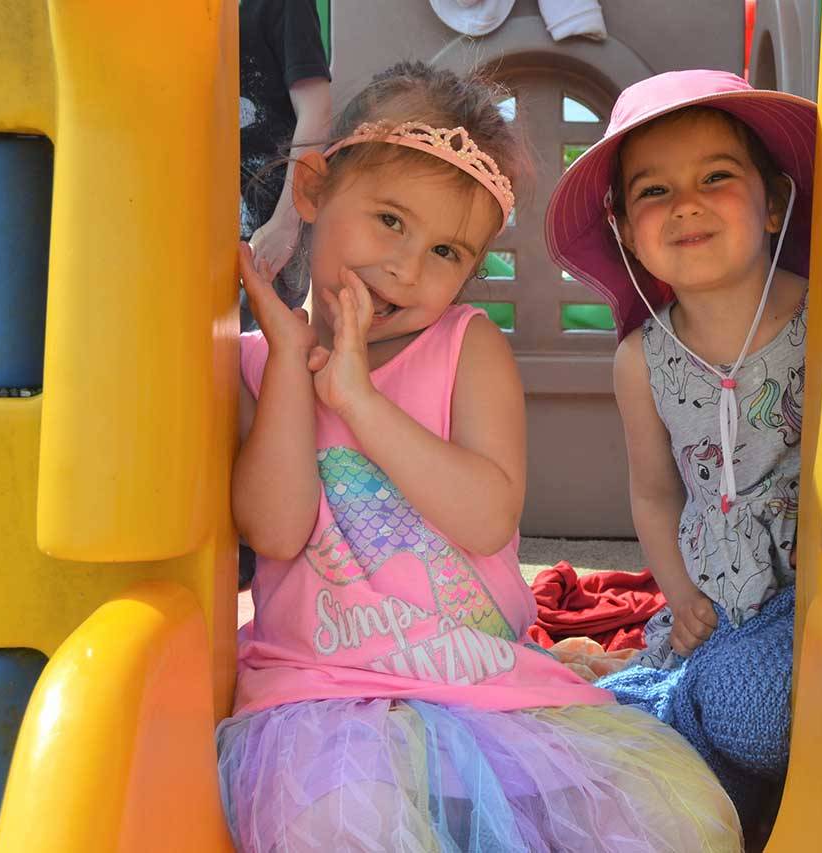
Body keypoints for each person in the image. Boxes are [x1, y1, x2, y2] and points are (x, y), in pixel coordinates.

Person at [219, 62, 741, 852]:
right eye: (389, 221)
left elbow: (487, 513)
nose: (407, 268)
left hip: (484, 685)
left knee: (678, 814)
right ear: (315, 190)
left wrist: (359, 398)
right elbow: (275, 530)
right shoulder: (260, 361)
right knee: (340, 827)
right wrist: (296, 367)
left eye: (446, 252)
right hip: (323, 695)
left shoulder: (467, 347)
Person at [544, 69, 817, 838]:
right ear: (627, 229)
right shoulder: (642, 358)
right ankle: (683, 734)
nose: (686, 203)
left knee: (762, 708)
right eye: (654, 192)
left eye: (716, 177)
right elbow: (656, 493)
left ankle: (663, 703)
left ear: (771, 202)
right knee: (631, 790)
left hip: (806, 601)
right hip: (711, 609)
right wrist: (678, 591)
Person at [239, 0, 333, 320]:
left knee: (255, 359)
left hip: (265, 232)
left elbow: (316, 111)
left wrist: (285, 222)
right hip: (196, 226)